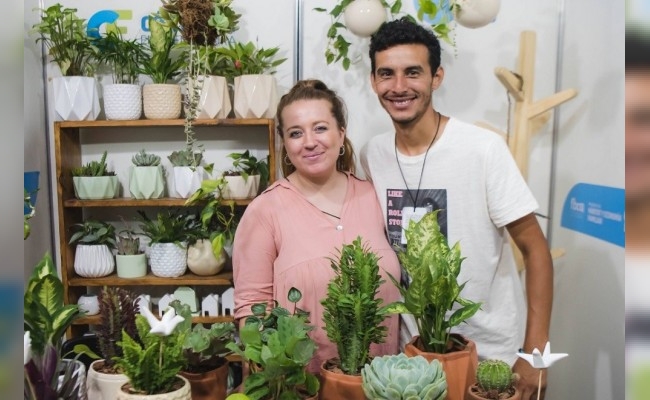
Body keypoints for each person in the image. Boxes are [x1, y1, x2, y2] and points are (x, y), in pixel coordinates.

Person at [360, 18, 553, 399]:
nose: (399, 87)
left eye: (412, 72)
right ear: (373, 82)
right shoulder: (373, 155)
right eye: (387, 74)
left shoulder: (482, 149)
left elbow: (536, 251)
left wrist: (535, 355)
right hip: (411, 363)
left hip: (492, 358)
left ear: (437, 77)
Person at [232, 79, 400, 373]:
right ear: (286, 143)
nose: (310, 141)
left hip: (380, 385)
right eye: (296, 133)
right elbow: (252, 310)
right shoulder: (265, 211)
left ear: (341, 133)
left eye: (320, 128)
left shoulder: (374, 197)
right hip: (304, 387)